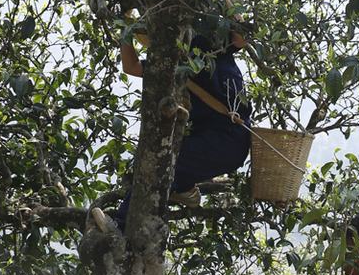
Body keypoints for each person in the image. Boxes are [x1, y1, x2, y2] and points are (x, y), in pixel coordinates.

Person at [98, 24, 252, 232]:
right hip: (210, 137)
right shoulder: (172, 64)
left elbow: (242, 37)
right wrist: (126, 29)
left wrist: (230, 0)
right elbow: (131, 67)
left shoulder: (210, 43)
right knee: (161, 160)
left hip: (228, 139)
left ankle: (121, 225)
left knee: (159, 163)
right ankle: (183, 187)